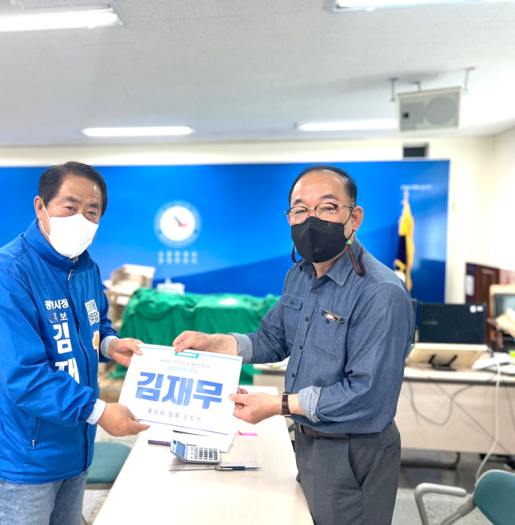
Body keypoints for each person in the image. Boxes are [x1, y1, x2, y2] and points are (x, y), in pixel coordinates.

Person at [173, 165, 414, 525]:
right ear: (289, 218)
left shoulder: (380, 292)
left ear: (354, 218)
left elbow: (367, 394)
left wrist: (277, 405)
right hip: (308, 442)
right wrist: (216, 343)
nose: (311, 220)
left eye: (327, 207)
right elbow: (273, 339)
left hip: (353, 452)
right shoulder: (299, 275)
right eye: (300, 210)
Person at [0, 161, 149, 525]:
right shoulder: (7, 274)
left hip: (73, 447)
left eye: (92, 212)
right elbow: (24, 376)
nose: (81, 219)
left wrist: (109, 345)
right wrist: (99, 412)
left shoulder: (84, 267)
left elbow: (95, 322)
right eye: (70, 206)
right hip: (20, 457)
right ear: (41, 207)